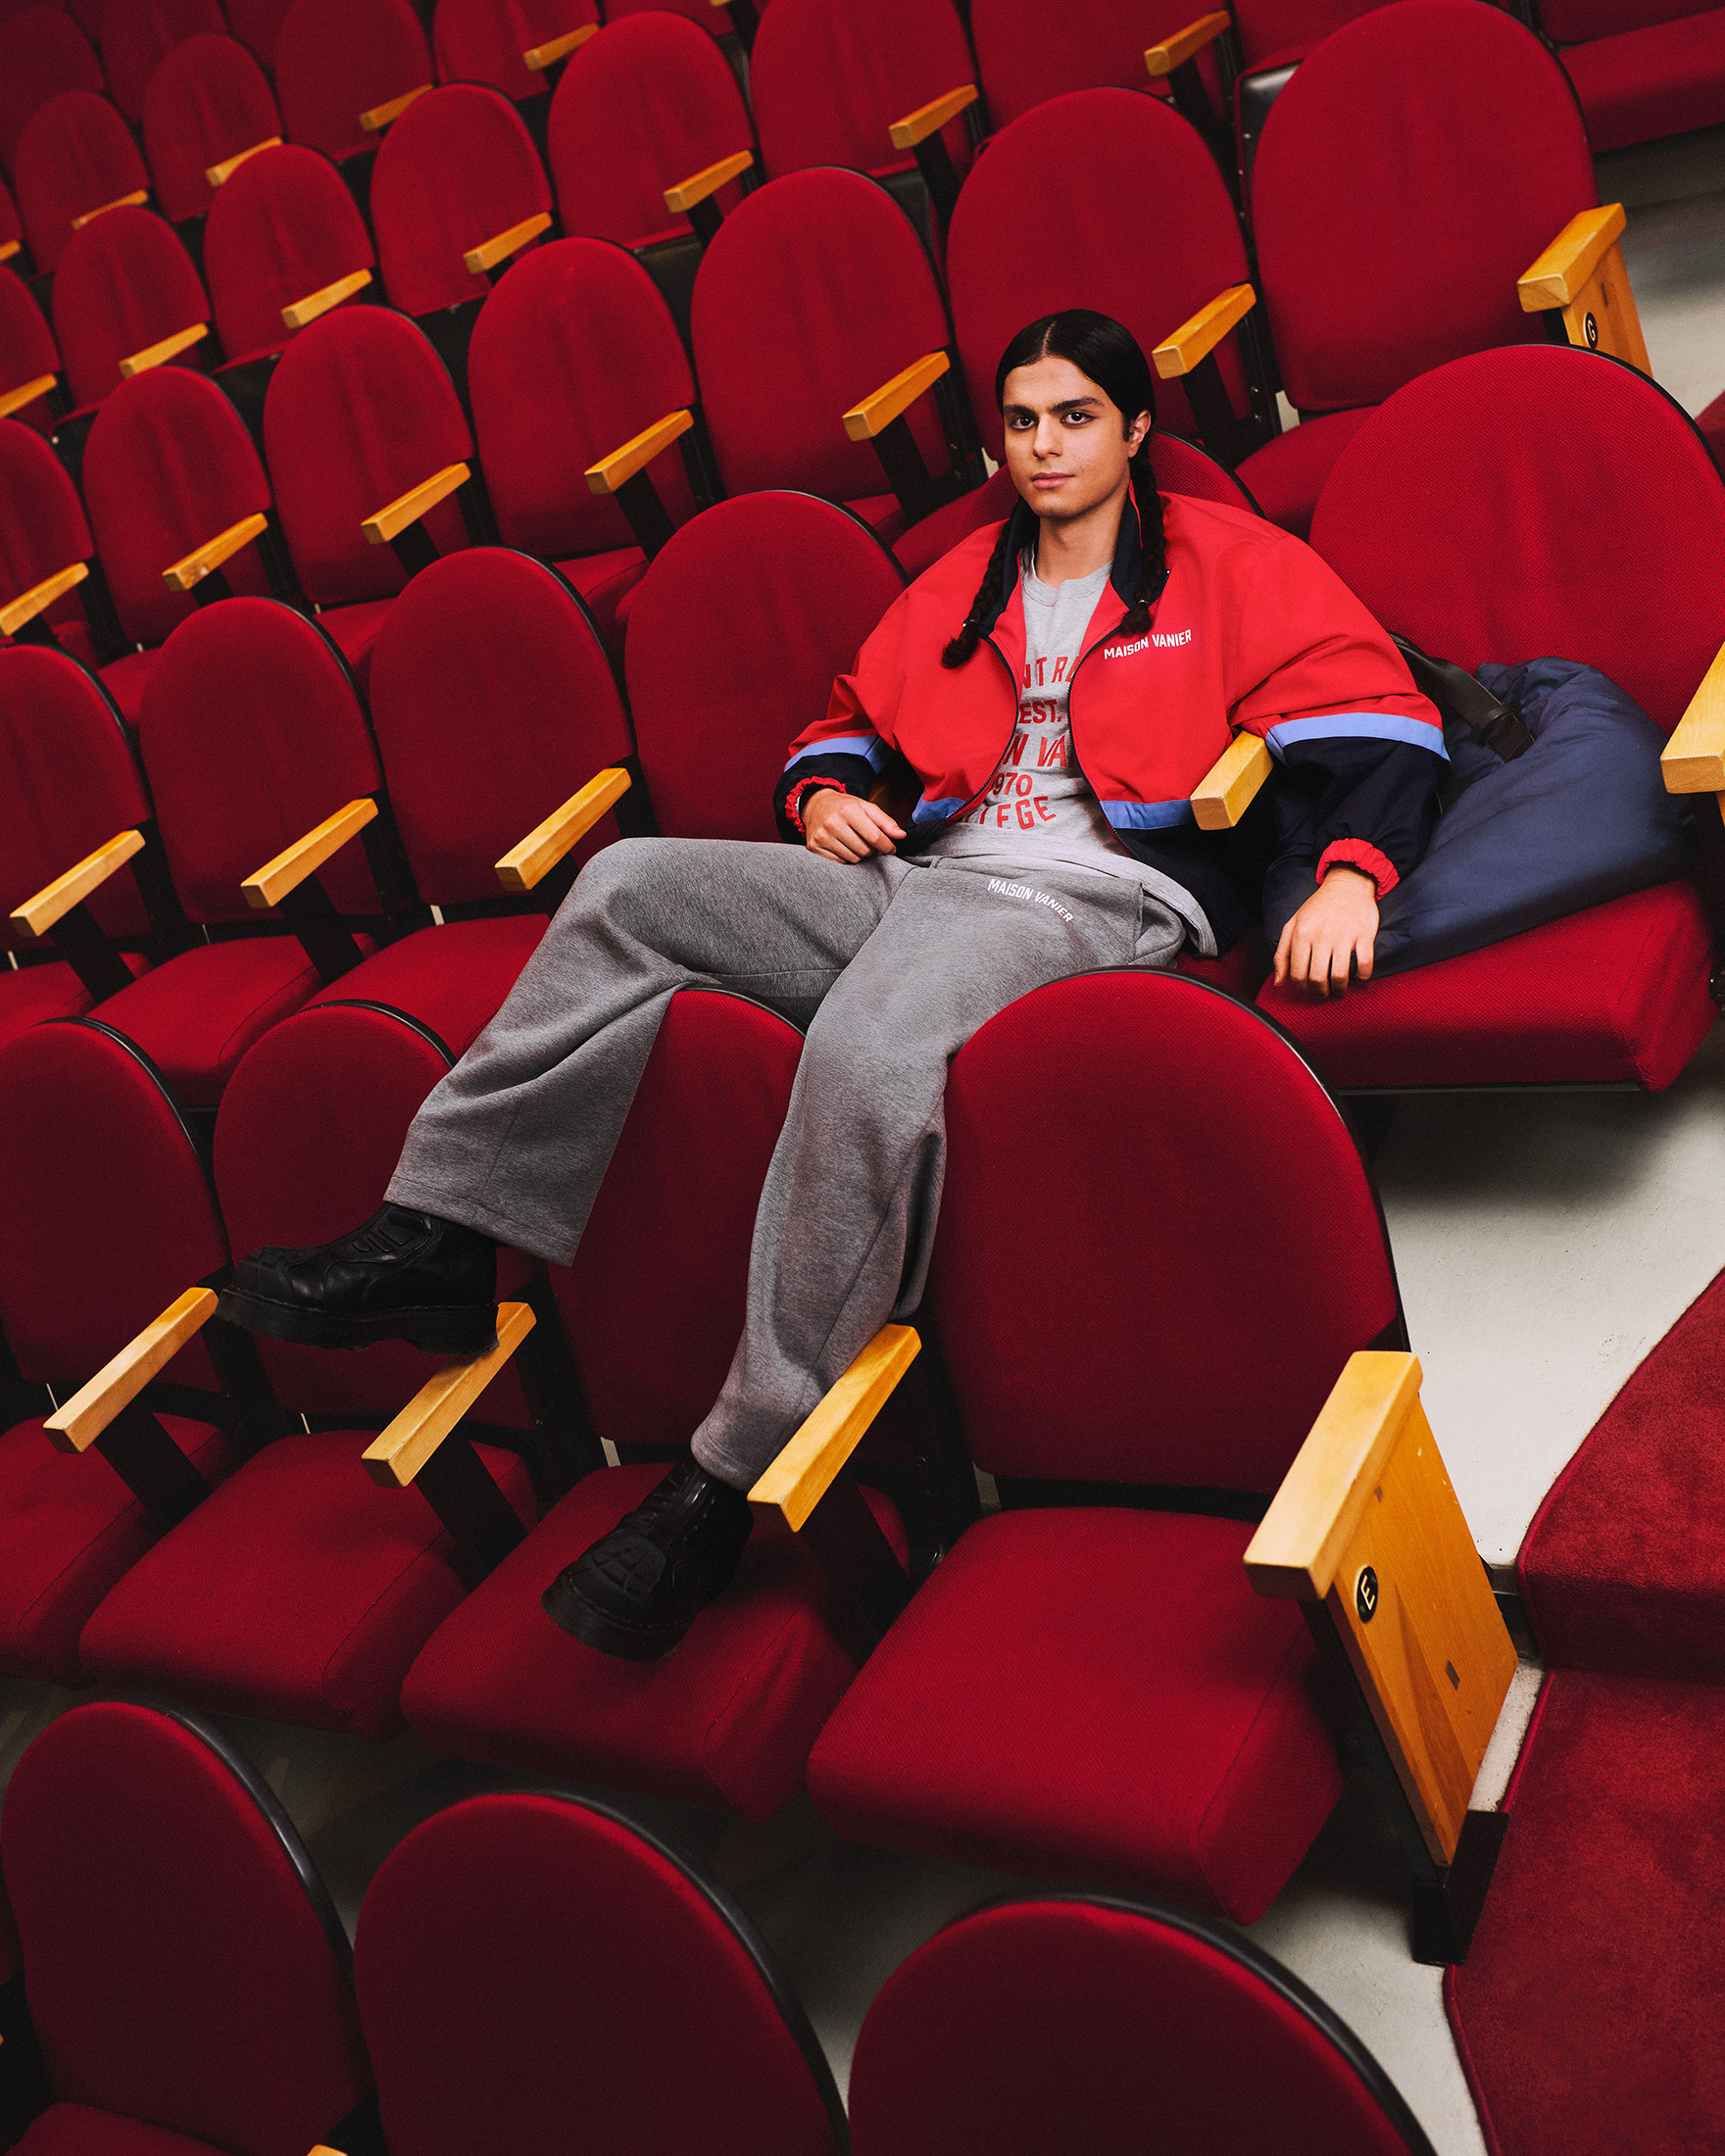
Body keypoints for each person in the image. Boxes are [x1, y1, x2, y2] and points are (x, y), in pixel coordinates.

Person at [219, 311, 1447, 1662]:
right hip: (921, 875)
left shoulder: (1228, 559)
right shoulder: (969, 576)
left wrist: (1352, 877)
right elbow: (846, 721)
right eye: (1023, 421)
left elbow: (1381, 719)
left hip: (1086, 899)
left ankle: (727, 1470)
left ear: (1136, 428)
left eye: (1077, 417)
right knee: (627, 884)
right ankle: (440, 1232)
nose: (1045, 446)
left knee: (863, 1048)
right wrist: (820, 796)